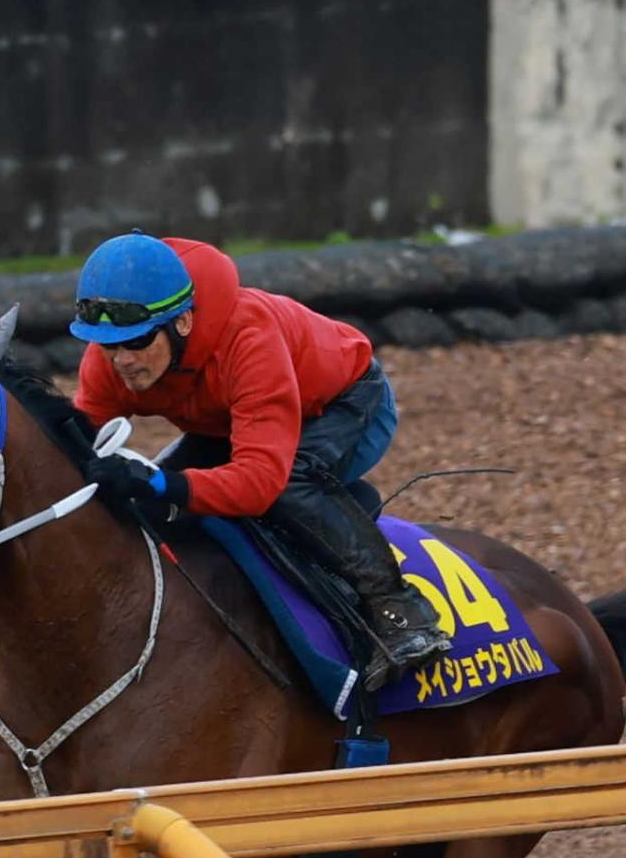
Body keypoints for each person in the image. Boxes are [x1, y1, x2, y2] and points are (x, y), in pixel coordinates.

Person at [69, 230, 449, 690]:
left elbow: (260, 482)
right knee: (153, 504)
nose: (122, 360)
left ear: (183, 322)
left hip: (344, 405)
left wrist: (162, 482)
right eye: (109, 345)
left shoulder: (249, 338)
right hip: (230, 422)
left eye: (137, 341)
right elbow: (75, 447)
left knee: (286, 486)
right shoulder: (108, 359)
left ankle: (401, 610)